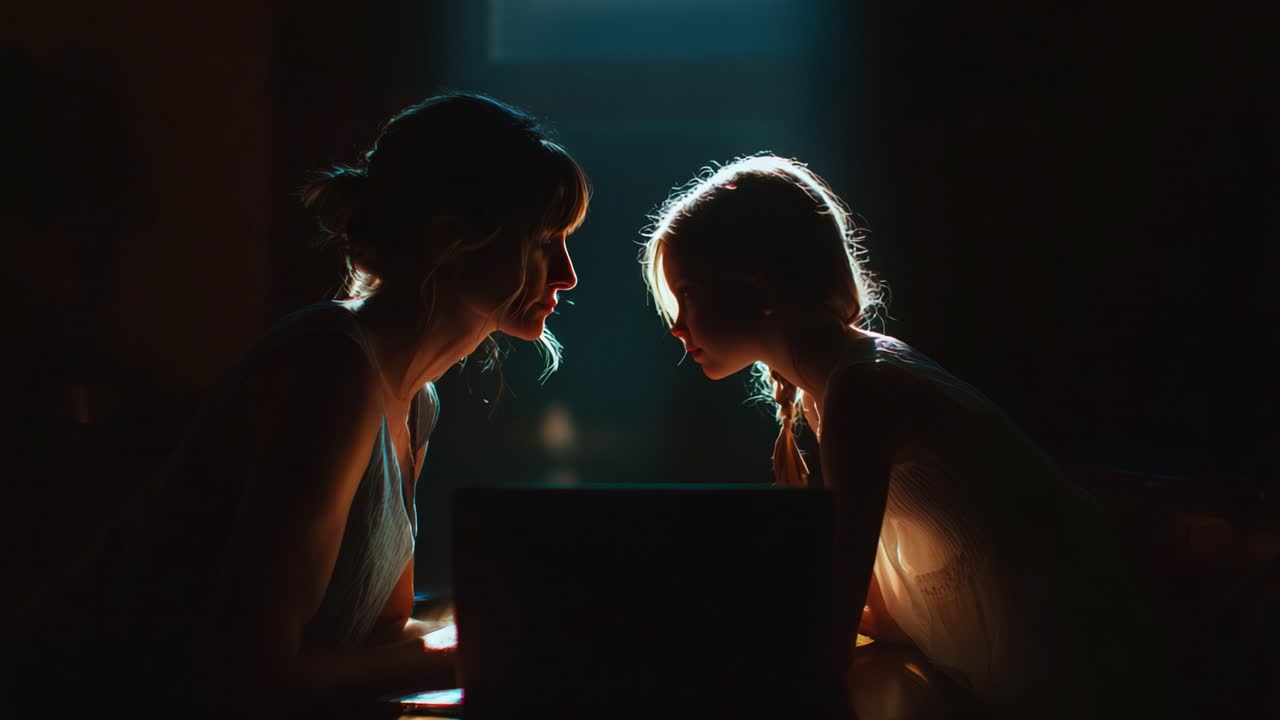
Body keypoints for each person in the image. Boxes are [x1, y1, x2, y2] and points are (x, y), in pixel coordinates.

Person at [639, 154, 1174, 718]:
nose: (677, 324)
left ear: (759, 279)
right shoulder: (847, 383)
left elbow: (836, 632)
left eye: (690, 295)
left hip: (1071, 691)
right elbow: (884, 616)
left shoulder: (861, 392)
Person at [112, 92, 588, 717]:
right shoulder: (332, 371)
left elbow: (380, 635)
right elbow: (249, 673)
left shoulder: (414, 400)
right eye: (543, 239)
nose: (567, 274)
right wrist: (485, 653)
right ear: (455, 240)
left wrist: (535, 626)